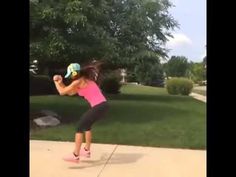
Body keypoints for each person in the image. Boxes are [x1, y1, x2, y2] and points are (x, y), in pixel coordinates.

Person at [53, 62, 109, 163]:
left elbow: (62, 92)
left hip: (99, 106)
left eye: (70, 75)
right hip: (103, 106)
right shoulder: (83, 81)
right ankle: (86, 150)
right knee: (87, 126)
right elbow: (69, 92)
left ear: (74, 73)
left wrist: (56, 82)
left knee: (79, 127)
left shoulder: (78, 81)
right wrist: (60, 82)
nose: (70, 77)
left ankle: (75, 155)